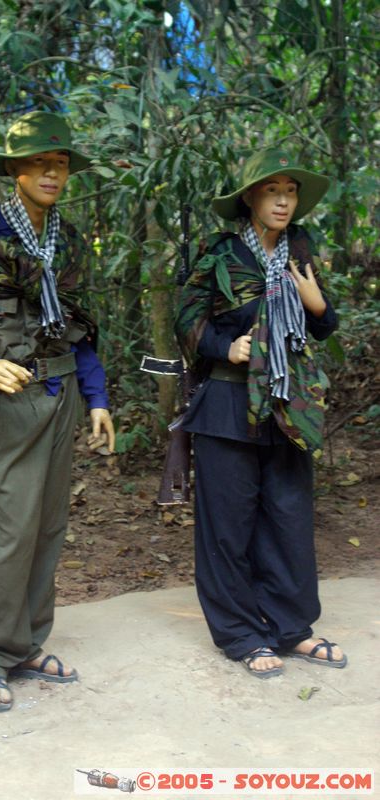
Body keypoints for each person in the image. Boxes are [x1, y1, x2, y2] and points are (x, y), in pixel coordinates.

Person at [0, 111, 115, 711]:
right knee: (11, 528)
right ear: (14, 169)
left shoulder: (66, 237)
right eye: (39, 161)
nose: (51, 171)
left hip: (61, 392)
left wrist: (98, 398)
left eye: (59, 162)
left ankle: (27, 643)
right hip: (8, 399)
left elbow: (80, 329)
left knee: (47, 527)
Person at [175, 147, 347, 678]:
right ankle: (242, 635)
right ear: (250, 198)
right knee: (229, 524)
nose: (283, 200)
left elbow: (323, 324)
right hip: (227, 403)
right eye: (273, 190)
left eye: (290, 191)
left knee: (289, 517)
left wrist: (316, 303)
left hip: (290, 404)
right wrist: (227, 348)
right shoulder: (218, 251)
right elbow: (186, 318)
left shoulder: (300, 248)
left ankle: (291, 628)